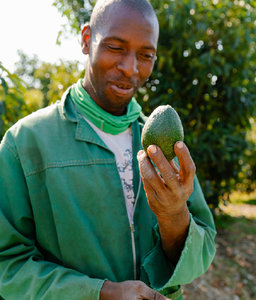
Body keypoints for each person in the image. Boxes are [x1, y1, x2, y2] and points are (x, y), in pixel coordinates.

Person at [0, 0, 216, 299]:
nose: (130, 69)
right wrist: (100, 293)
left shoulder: (162, 142)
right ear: (87, 40)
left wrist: (173, 217)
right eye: (116, 48)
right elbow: (6, 266)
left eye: (146, 55)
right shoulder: (26, 143)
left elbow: (203, 253)